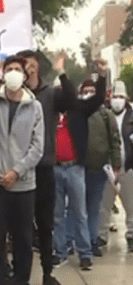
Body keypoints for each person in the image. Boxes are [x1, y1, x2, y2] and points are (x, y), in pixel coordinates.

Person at [0, 56, 44, 285]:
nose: (12, 73)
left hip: (23, 185)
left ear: (24, 75)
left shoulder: (35, 106)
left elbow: (38, 146)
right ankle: (0, 279)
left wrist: (17, 171)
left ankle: (22, 279)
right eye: (9, 69)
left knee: (23, 239)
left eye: (17, 69)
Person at [16, 50, 75, 285]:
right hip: (20, 170)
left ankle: (47, 273)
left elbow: (71, 100)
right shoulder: (14, 94)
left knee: (45, 223)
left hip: (44, 168)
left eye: (32, 65)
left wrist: (62, 72)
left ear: (38, 67)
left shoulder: (50, 94)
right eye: (23, 66)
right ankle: (20, 272)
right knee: (21, 225)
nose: (28, 70)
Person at [51, 64, 106, 271]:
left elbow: (99, 98)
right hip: (55, 169)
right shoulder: (50, 113)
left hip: (75, 169)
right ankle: (60, 251)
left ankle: (84, 253)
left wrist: (101, 76)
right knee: (57, 214)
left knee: (80, 212)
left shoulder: (79, 110)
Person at [80, 80, 121, 257]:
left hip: (98, 169)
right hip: (76, 169)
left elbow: (115, 141)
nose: (88, 94)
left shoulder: (107, 115)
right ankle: (78, 241)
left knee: (94, 207)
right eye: (85, 91)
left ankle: (91, 241)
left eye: (92, 91)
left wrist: (116, 165)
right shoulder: (75, 112)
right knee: (77, 210)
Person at [98, 80, 133, 252]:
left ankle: (131, 234)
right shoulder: (104, 115)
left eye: (121, 97)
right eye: (114, 96)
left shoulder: (132, 116)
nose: (117, 100)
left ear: (126, 99)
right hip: (107, 167)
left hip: (128, 167)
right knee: (104, 205)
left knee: (131, 204)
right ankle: (101, 236)